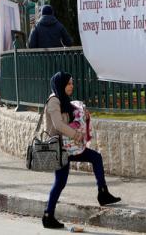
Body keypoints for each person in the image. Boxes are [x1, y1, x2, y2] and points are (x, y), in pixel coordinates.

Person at [42, 71, 121, 229]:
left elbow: (73, 116)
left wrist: (84, 115)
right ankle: (48, 215)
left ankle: (103, 193)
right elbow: (58, 125)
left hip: (69, 147)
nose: (72, 86)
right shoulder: (54, 101)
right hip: (60, 148)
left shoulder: (64, 100)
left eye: (72, 83)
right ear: (61, 84)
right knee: (60, 182)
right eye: (69, 83)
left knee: (95, 158)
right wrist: (76, 135)